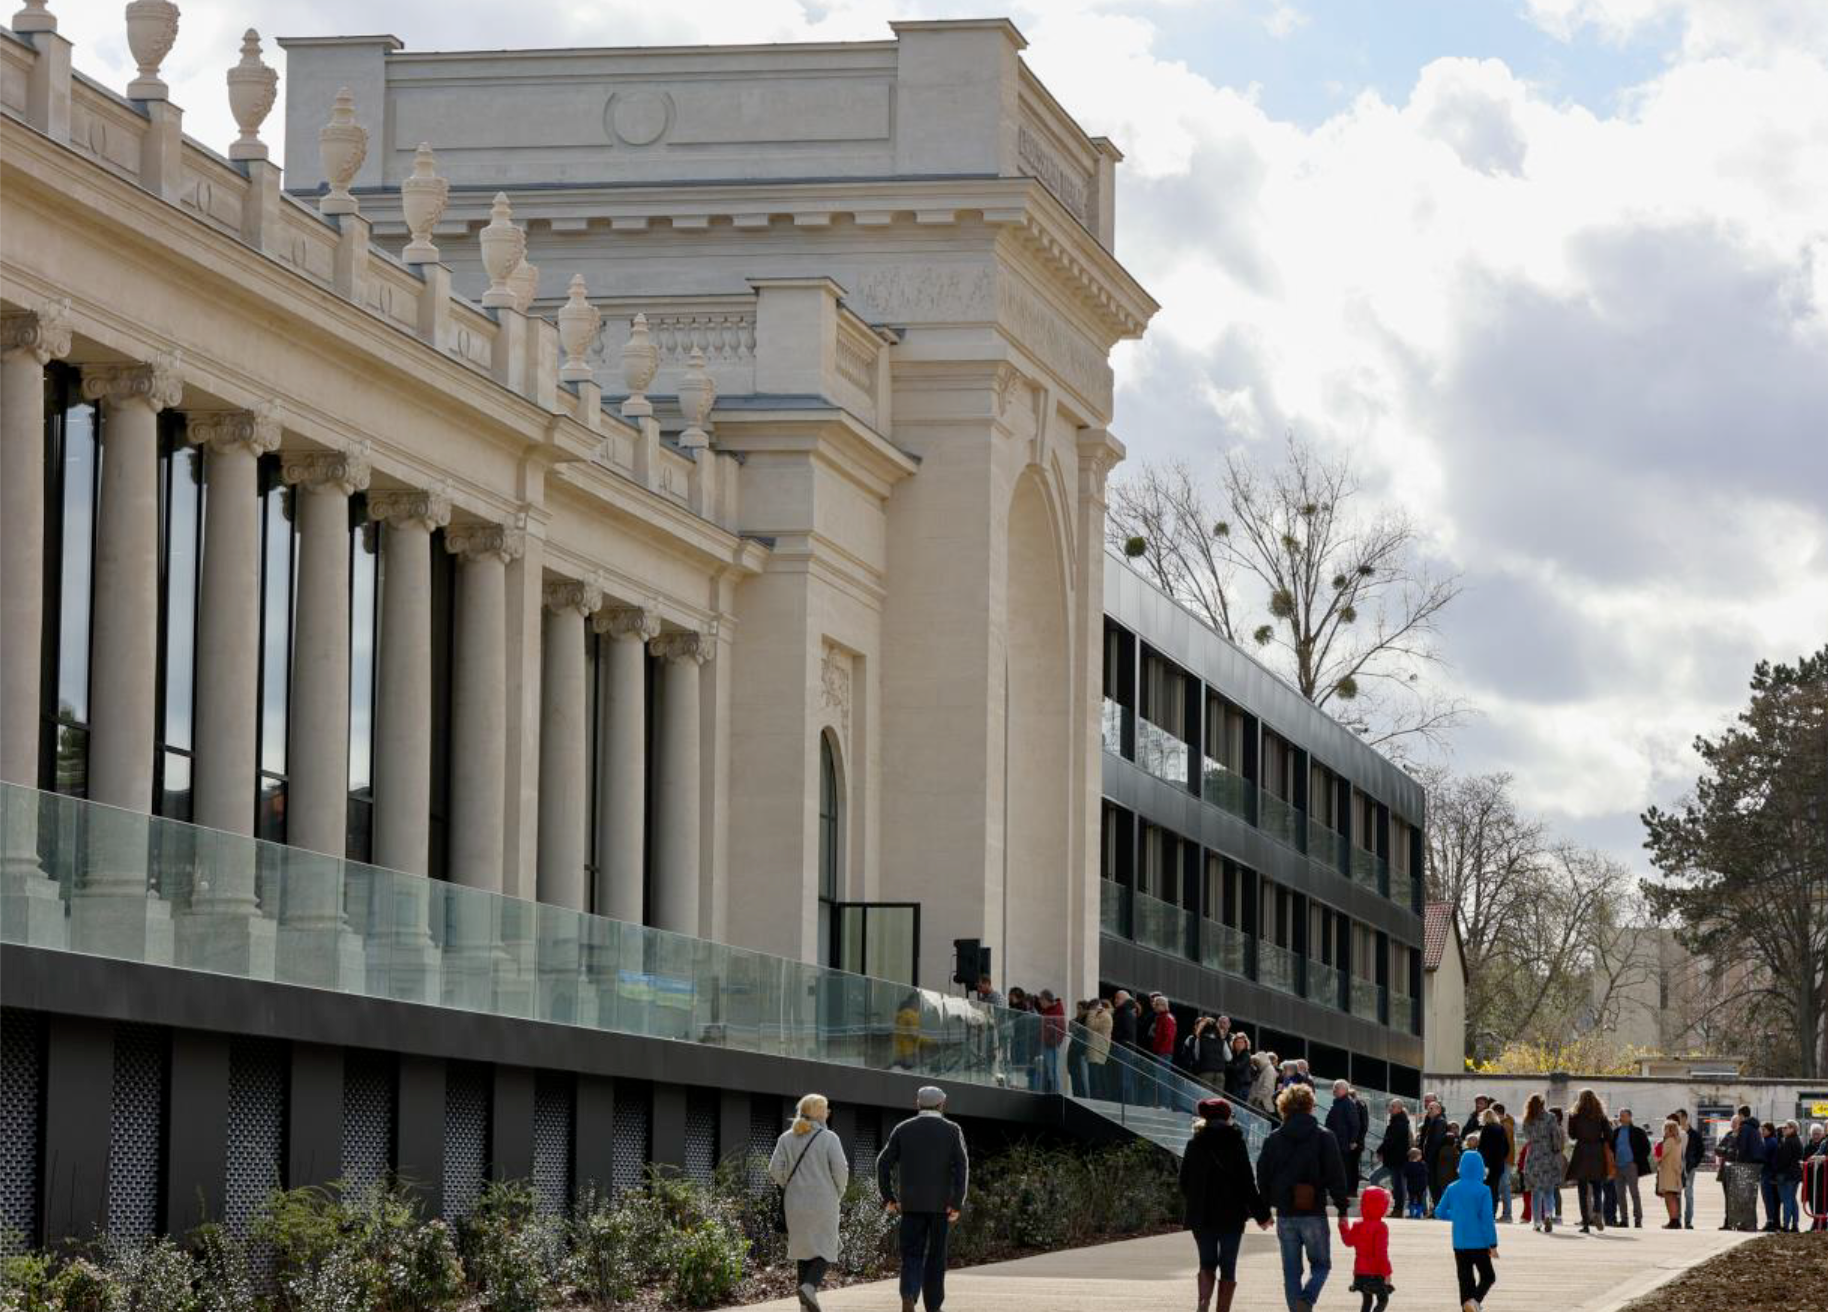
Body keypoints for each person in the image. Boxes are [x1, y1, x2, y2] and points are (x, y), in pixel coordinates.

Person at [1255, 1082, 1349, 1312]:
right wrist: (1342, 1208)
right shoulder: (1324, 1137)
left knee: (1290, 1270)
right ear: (1310, 1105)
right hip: (1313, 1210)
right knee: (1321, 1265)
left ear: (1284, 1106)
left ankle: (1297, 1307)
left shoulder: (1274, 1138)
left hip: (1286, 1212)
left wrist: (1263, 1210)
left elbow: (1263, 1175)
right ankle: (1306, 1301)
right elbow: (1336, 1174)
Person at [877, 1085, 969, 1312]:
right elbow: (962, 1167)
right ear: (942, 1104)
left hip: (910, 1205)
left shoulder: (903, 1128)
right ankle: (933, 1306)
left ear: (918, 1104)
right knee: (936, 1258)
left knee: (911, 1254)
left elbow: (883, 1163)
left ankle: (909, 1294)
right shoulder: (952, 1130)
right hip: (941, 1206)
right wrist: (957, 1202)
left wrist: (889, 1197)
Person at [1180, 1096, 1271, 1312]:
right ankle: (1223, 1309)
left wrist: (1195, 1203)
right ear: (1227, 1116)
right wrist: (1262, 1214)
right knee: (1228, 1266)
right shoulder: (1235, 1142)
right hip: (1231, 1215)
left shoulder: (1195, 1143)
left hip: (1202, 1215)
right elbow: (1247, 1182)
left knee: (1206, 1262)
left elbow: (1184, 1181)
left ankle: (1203, 1303)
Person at [769, 1093, 850, 1312]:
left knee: (803, 1251)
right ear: (819, 1113)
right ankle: (809, 1286)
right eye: (826, 1109)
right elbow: (841, 1172)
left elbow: (774, 1170)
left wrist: (792, 1186)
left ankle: (805, 1306)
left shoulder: (786, 1138)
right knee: (827, 1246)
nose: (829, 1113)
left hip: (794, 1204)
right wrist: (837, 1192)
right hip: (824, 1202)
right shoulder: (829, 1138)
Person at [1435, 1149, 1499, 1312]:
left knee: (1465, 1279)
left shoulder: (1452, 1187)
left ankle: (1467, 1307)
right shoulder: (1484, 1190)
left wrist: (1457, 1215)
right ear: (1481, 1168)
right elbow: (1487, 1220)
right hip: (1479, 1243)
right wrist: (1492, 1244)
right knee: (1488, 1276)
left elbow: (1439, 1212)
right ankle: (1475, 1301)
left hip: (1459, 1242)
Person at [1338, 1185, 1394, 1312]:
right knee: (1383, 1299)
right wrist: (1387, 1273)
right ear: (1381, 1206)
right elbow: (1381, 1254)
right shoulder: (1381, 1227)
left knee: (1367, 1300)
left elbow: (1348, 1241)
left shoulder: (1358, 1225)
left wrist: (1343, 1226)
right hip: (1375, 1273)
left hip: (1360, 1272)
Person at [1566, 1088, 1613, 1233]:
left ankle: (1586, 1223)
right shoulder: (1601, 1115)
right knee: (1597, 1185)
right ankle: (1598, 1212)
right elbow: (1610, 1135)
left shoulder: (1574, 1115)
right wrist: (1600, 1140)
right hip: (1597, 1151)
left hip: (1582, 1151)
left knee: (1582, 1189)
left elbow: (1572, 1135)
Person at [1519, 1094, 1566, 1234]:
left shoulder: (1527, 1119)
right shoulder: (1551, 1117)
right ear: (1543, 1104)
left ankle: (1537, 1222)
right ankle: (1548, 1215)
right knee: (1549, 1190)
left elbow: (1527, 1137)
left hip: (1533, 1156)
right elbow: (1556, 1136)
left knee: (1535, 1192)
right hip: (1548, 1156)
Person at [1611, 1108, 1649, 1227]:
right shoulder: (1616, 1132)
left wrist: (1635, 1160)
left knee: (1634, 1193)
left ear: (1630, 1117)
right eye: (1620, 1115)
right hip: (1618, 1166)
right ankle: (1624, 1220)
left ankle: (1638, 1219)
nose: (1621, 1118)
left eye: (1623, 1115)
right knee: (1620, 1194)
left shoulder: (1638, 1131)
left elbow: (1646, 1148)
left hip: (1631, 1165)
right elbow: (1612, 1148)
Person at [1327, 1080, 1366, 1197]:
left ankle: (1346, 1190)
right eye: (1334, 1088)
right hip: (1337, 1142)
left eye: (1336, 1088)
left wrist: (1353, 1141)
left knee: (1345, 1168)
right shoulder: (1338, 1103)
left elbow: (1355, 1124)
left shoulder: (1347, 1104)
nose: (1334, 1090)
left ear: (1344, 1090)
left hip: (1343, 1143)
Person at [1379, 1100, 1413, 1217]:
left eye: (1393, 1107)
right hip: (1394, 1159)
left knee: (1399, 1185)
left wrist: (1380, 1150)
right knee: (1396, 1185)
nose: (1390, 1109)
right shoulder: (1396, 1121)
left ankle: (1398, 1210)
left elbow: (1390, 1140)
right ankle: (1397, 1209)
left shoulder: (1400, 1122)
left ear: (1399, 1108)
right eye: (1390, 1106)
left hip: (1399, 1159)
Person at [1418, 1100, 1451, 1216]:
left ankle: (1438, 1210)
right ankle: (1436, 1209)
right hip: (1431, 1158)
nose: (1429, 1110)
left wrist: (1428, 1158)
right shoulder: (1432, 1121)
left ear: (1439, 1110)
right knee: (1432, 1185)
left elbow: (1436, 1142)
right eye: (1428, 1108)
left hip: (1434, 1159)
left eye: (1432, 1108)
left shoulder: (1440, 1122)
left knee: (1435, 1185)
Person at [1477, 1109, 1510, 1222]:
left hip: (1487, 1164)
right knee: (1494, 1189)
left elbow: (1482, 1148)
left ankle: (1486, 1213)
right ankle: (1493, 1213)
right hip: (1499, 1164)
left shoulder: (1486, 1129)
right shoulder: (1501, 1128)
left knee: (1486, 1189)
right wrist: (1501, 1158)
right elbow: (1507, 1147)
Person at [1652, 1117, 1685, 1228]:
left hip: (1668, 1172)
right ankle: (1674, 1220)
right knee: (1672, 1196)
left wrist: (1656, 1151)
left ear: (1669, 1130)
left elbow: (1660, 1155)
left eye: (1665, 1129)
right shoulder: (1677, 1141)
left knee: (1669, 1197)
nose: (1663, 1131)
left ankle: (1674, 1220)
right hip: (1673, 1171)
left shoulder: (1670, 1141)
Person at [1147, 994, 1179, 1107]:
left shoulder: (1167, 1018)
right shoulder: (1160, 1018)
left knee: (1162, 1079)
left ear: (1163, 1005)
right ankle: (1159, 1104)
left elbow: (1169, 1036)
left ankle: (1165, 1105)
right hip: (1160, 1052)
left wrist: (1160, 1050)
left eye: (1156, 1004)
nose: (1154, 1007)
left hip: (1163, 1053)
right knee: (1158, 1079)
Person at [1773, 1120, 1804, 1232]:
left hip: (1787, 1175)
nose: (1783, 1129)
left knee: (1787, 1200)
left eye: (1786, 1127)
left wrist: (1777, 1170)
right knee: (1792, 1200)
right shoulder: (1797, 1141)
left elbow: (1784, 1160)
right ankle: (1795, 1225)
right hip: (1795, 1175)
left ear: (1793, 1129)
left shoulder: (1789, 1141)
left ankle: (1786, 1225)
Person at [1185, 1015, 1231, 1091]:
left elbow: (1197, 1056)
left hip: (1205, 1072)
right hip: (1220, 1073)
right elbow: (1229, 1058)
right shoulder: (1222, 1041)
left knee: (1206, 1097)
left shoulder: (1199, 1040)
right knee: (1217, 1099)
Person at [1677, 1108, 1704, 1229]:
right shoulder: (1675, 1133)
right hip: (1676, 1168)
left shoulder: (1694, 1134)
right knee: (1676, 1193)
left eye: (1678, 1117)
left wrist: (1694, 1164)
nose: (1676, 1120)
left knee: (1688, 1194)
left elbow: (1701, 1151)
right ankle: (1676, 1219)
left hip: (1689, 1168)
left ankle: (1688, 1221)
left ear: (1684, 1118)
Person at [1035, 989, 1066, 1094]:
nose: (1040, 1003)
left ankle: (1056, 1093)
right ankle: (1047, 1092)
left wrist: (1051, 1042)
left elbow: (1061, 1030)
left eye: (1041, 1000)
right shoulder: (1047, 1010)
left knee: (1052, 1071)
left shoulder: (1057, 1010)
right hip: (1044, 1045)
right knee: (1044, 1071)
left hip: (1051, 1046)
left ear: (1046, 1000)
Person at [1085, 997, 1114, 1099]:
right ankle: (1095, 1096)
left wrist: (1092, 1012)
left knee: (1095, 1077)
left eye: (1091, 1008)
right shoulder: (1100, 1015)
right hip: (1095, 1049)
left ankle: (1097, 1098)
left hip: (1097, 1050)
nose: (1090, 1011)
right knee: (1094, 1077)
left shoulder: (1104, 1016)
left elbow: (1090, 1026)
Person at [1493, 1103, 1516, 1223]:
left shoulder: (1505, 1126)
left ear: (1497, 1113)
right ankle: (1506, 1214)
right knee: (1503, 1187)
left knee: (1504, 1187)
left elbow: (1504, 1145)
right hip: (1507, 1159)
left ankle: (1507, 1215)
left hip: (1505, 1160)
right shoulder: (1508, 1123)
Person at [1758, 1121, 1782, 1230]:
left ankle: (1770, 1221)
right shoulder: (1769, 1141)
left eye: (1764, 1130)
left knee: (1768, 1199)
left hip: (1768, 1174)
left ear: (1770, 1130)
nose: (1762, 1132)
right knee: (1769, 1199)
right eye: (1761, 1129)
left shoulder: (1770, 1142)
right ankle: (1772, 1221)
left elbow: (1764, 1157)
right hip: (1768, 1173)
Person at [1223, 1032, 1254, 1103]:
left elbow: (1238, 1067)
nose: (1239, 1044)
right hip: (1232, 1085)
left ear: (1245, 1044)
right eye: (1237, 1042)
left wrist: (1227, 1066)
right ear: (1234, 1043)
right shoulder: (1232, 1053)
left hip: (1242, 1086)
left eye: (1241, 1043)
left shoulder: (1246, 1055)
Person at [1402, 1149, 1429, 1219]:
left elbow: (1405, 1174)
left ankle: (1411, 1214)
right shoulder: (1422, 1164)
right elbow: (1426, 1173)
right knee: (1420, 1199)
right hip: (1421, 1185)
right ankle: (1419, 1214)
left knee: (1411, 1199)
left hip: (1411, 1185)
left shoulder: (1407, 1165)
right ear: (1418, 1156)